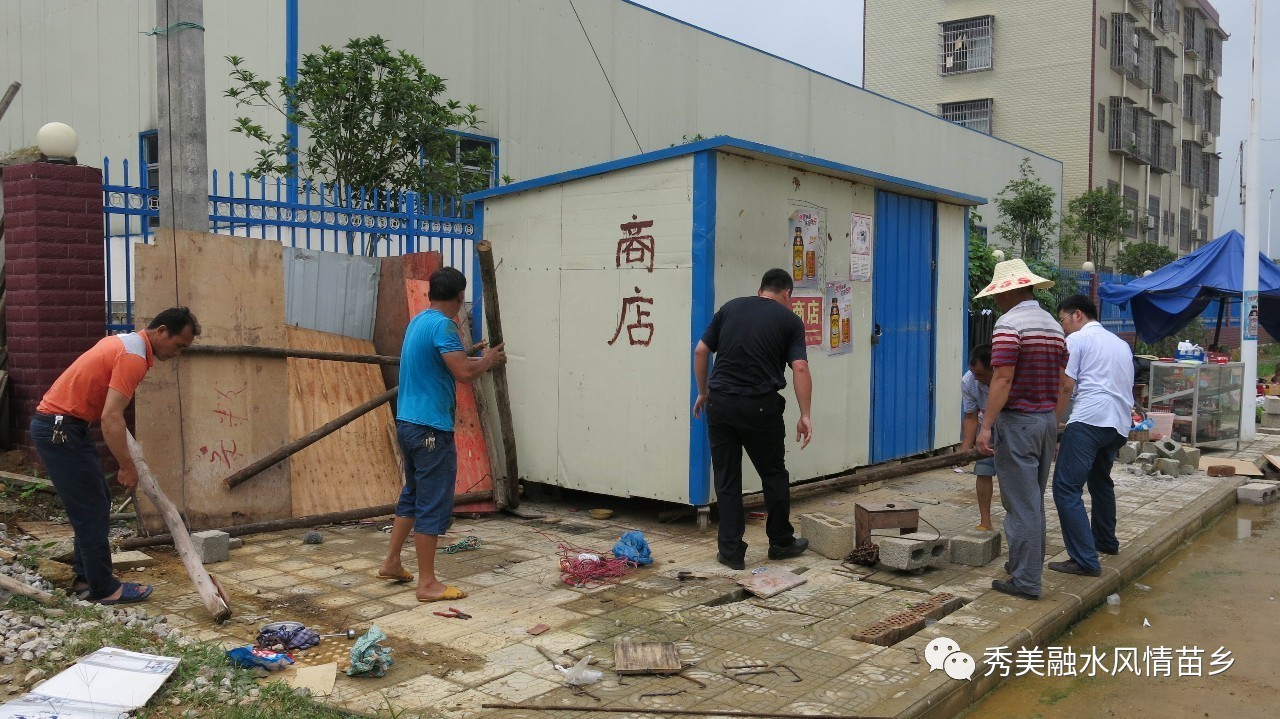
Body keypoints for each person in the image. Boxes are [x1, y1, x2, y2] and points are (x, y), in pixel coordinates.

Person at [31, 307, 200, 605]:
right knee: (92, 507)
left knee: (95, 503)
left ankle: (86, 578)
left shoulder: (125, 343)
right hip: (60, 428)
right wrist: (127, 466)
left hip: (66, 426)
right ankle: (104, 589)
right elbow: (111, 418)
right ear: (161, 331)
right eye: (178, 346)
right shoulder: (133, 357)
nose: (178, 354)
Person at [379, 267, 505, 602]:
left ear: (431, 292)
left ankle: (392, 562)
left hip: (408, 423)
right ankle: (428, 584)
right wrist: (489, 359)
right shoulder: (444, 326)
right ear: (461, 295)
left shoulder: (418, 321)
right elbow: (464, 372)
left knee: (413, 494)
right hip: (430, 428)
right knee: (433, 503)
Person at [692, 268, 812, 571]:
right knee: (773, 474)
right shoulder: (790, 321)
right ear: (788, 294)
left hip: (720, 405)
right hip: (760, 409)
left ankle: (731, 552)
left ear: (761, 289)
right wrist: (805, 415)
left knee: (727, 479)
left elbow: (701, 350)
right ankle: (781, 542)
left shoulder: (731, 308)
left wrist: (703, 392)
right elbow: (799, 368)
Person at [975, 260, 1067, 601]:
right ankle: (1023, 568)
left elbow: (1002, 377)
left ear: (1012, 290)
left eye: (999, 293)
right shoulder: (1053, 325)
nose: (997, 300)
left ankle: (1027, 580)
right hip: (1044, 419)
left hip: (1018, 421)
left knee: (1021, 505)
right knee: (1034, 502)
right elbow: (1061, 382)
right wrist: (1054, 424)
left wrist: (986, 426)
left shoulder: (1009, 324)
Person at [1050, 294, 1134, 577]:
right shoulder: (1120, 343)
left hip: (1090, 419)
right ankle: (1106, 542)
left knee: (1065, 488)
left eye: (1062, 319)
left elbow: (1065, 386)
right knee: (1100, 482)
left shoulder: (1076, 340)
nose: (1062, 327)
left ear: (1077, 315)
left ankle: (1085, 559)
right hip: (1118, 425)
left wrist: (1053, 423)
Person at [960, 344, 996, 531]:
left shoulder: (1008, 377)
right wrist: (965, 451)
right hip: (985, 428)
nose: (976, 378)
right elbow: (970, 415)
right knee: (983, 470)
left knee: (1010, 475)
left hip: (1013, 426)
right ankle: (985, 521)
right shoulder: (968, 381)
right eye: (973, 372)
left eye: (980, 374)